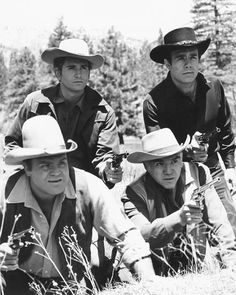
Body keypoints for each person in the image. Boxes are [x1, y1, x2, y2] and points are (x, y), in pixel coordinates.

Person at [0, 115, 155, 295]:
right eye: (45, 165)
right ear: (27, 168)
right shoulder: (4, 193)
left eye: (62, 162)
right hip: (14, 285)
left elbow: (125, 236)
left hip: (72, 285)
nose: (56, 172)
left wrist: (150, 282)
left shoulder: (88, 185)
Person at [143, 27, 236, 235]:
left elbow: (226, 132)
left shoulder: (214, 88)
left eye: (193, 57)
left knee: (230, 223)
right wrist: (186, 153)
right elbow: (155, 154)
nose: (188, 63)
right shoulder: (154, 102)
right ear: (167, 63)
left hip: (212, 168)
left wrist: (230, 168)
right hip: (174, 175)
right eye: (180, 58)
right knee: (183, 235)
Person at [4, 38, 122, 188]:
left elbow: (105, 156)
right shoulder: (35, 104)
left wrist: (108, 170)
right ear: (58, 73)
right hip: (37, 184)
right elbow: (12, 145)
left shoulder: (103, 112)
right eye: (72, 68)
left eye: (84, 68)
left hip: (82, 186)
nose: (79, 74)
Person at [121, 128, 236, 276]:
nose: (168, 170)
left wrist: (231, 261)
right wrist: (178, 219)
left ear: (182, 159)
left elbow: (220, 222)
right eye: (159, 164)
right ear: (146, 166)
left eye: (175, 161)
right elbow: (141, 235)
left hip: (199, 264)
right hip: (157, 270)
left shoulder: (199, 173)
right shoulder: (133, 193)